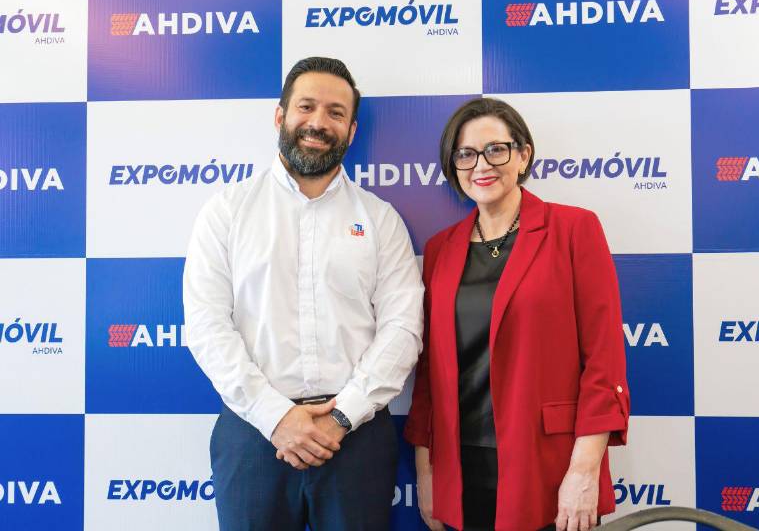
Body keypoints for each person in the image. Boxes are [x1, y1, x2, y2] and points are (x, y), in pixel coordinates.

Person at [183, 56, 424, 531]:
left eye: (336, 113)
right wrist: (276, 417)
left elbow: (403, 329)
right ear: (280, 116)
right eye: (306, 106)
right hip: (255, 434)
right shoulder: (226, 212)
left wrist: (341, 418)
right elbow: (207, 327)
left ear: (351, 131)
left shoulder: (380, 219)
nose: (318, 122)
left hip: (355, 435)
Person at [404, 97, 629, 531]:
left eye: (496, 149)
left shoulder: (574, 230)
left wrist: (584, 471)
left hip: (549, 466)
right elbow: (429, 374)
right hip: (461, 469)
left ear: (523, 155)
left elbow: (604, 363)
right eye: (466, 154)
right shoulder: (440, 250)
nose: (481, 165)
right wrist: (426, 470)